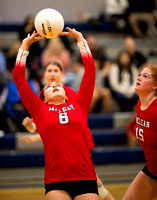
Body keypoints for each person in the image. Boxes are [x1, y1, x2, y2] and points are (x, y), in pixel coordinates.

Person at [13, 28, 99, 200]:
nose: (54, 85)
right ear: (43, 99)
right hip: (56, 179)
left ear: (67, 94)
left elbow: (90, 71)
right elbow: (19, 78)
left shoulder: (79, 103)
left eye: (58, 86)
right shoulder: (39, 109)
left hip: (85, 176)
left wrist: (81, 41)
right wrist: (24, 46)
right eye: (49, 87)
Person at [21, 53, 115, 200]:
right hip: (59, 158)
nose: (52, 74)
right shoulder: (42, 99)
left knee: (96, 183)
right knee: (97, 183)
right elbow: (43, 127)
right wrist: (30, 125)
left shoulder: (68, 92)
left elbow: (69, 120)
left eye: (56, 71)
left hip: (80, 142)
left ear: (62, 73)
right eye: (49, 71)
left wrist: (34, 137)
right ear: (44, 74)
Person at [122, 64, 157, 200]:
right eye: (140, 74)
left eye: (145, 76)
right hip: (152, 170)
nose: (139, 77)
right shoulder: (139, 105)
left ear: (154, 85)